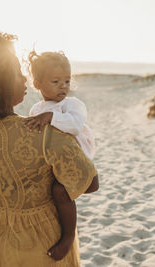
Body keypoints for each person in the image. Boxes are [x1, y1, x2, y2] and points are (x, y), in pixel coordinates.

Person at [0, 26, 99, 267]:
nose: (25, 78)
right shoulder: (45, 133)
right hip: (41, 242)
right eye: (16, 72)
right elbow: (90, 183)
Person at [24, 51, 95, 260]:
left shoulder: (72, 105)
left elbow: (74, 126)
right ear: (37, 83)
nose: (63, 86)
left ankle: (68, 237)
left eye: (67, 80)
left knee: (60, 190)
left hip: (77, 156)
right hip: (52, 159)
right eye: (56, 81)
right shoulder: (36, 108)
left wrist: (51, 117)